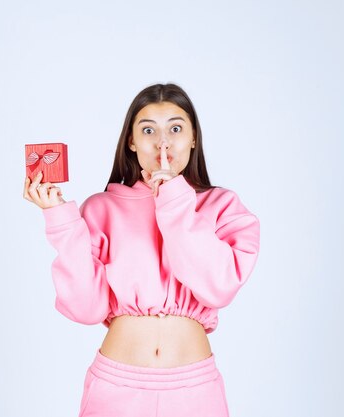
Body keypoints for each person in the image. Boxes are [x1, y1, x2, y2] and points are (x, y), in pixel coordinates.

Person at [23, 83, 260, 417]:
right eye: (148, 130)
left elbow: (217, 287)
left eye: (175, 129)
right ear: (131, 141)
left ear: (194, 138)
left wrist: (174, 197)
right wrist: (60, 219)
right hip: (116, 387)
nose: (162, 142)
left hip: (193, 391)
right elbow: (86, 308)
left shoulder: (222, 206)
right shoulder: (103, 208)